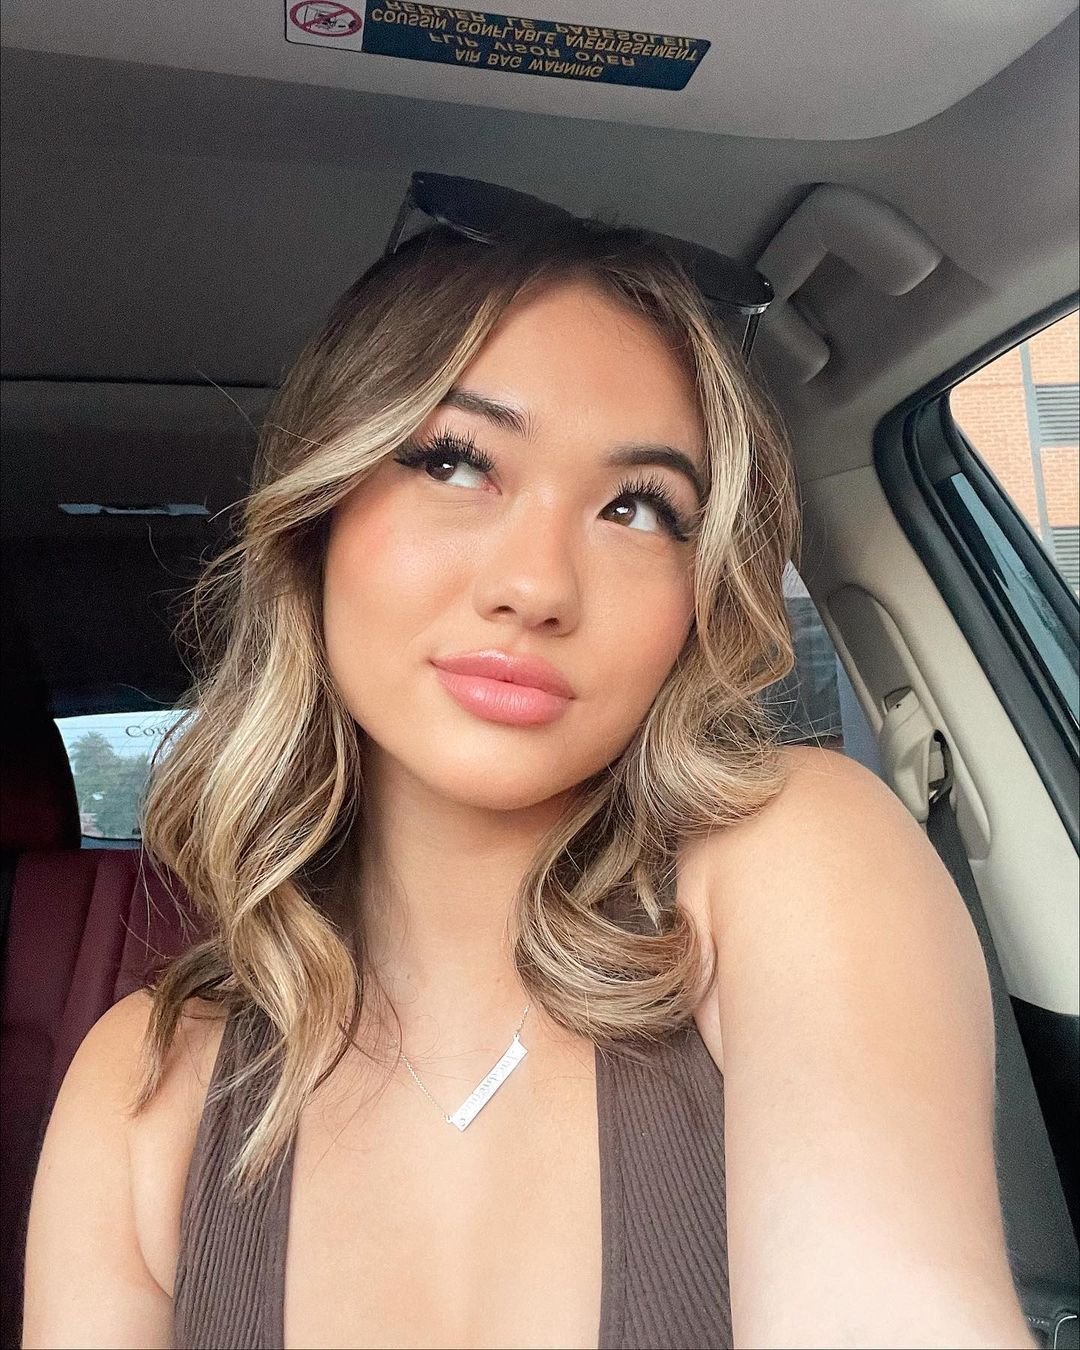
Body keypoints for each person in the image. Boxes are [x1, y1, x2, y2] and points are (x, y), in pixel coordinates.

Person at [21, 181, 1036, 1350]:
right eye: (458, 463)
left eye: (639, 509)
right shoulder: (139, 1091)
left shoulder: (796, 861)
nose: (538, 585)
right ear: (318, 519)